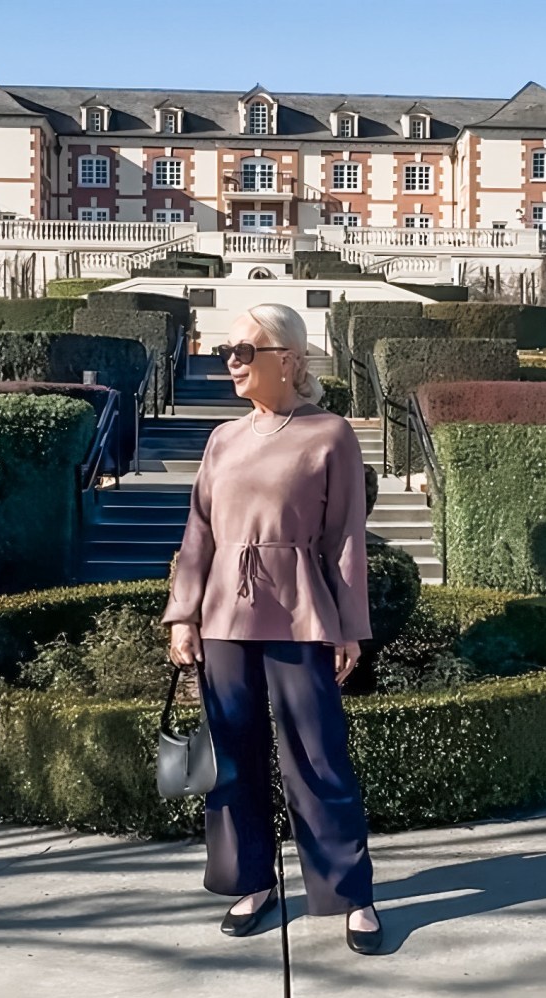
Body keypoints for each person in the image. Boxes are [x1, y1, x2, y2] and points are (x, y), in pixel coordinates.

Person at [162, 303, 382, 955]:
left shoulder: (329, 434)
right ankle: (249, 881)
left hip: (301, 611)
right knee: (230, 757)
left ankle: (349, 893)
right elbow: (198, 533)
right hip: (223, 614)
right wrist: (182, 614)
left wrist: (348, 626)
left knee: (317, 755)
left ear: (286, 360)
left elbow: (346, 539)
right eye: (225, 351)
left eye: (242, 352)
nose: (229, 362)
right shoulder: (222, 439)